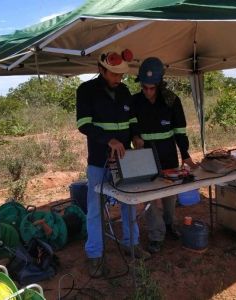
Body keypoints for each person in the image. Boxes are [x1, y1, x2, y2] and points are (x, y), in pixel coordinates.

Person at [76, 46, 150, 278]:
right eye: (114, 75)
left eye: (121, 75)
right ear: (101, 69)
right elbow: (84, 124)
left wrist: (136, 136)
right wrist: (110, 141)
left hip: (123, 161)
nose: (119, 79)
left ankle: (131, 243)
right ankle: (95, 255)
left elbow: (133, 119)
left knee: (129, 202)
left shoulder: (125, 90)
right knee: (96, 209)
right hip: (99, 161)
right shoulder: (86, 90)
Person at [132, 57, 198, 254]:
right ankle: (156, 235)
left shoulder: (171, 100)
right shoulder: (134, 102)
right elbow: (130, 125)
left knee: (170, 195)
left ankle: (170, 225)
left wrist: (185, 155)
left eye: (152, 88)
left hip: (169, 156)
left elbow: (180, 131)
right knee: (151, 197)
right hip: (145, 158)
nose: (148, 92)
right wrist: (135, 136)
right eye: (145, 88)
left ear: (160, 84)